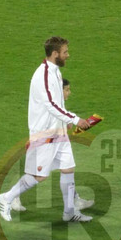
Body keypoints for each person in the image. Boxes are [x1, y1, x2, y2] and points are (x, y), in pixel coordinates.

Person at [0, 36, 92, 223]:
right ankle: (6, 198)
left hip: (58, 130)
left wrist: (66, 122)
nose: (68, 55)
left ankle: (69, 212)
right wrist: (74, 118)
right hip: (45, 133)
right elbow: (50, 104)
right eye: (65, 52)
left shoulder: (55, 71)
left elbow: (58, 104)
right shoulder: (43, 75)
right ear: (55, 53)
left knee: (68, 168)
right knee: (39, 176)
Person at [11, 78, 94, 212]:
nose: (69, 93)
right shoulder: (50, 107)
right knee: (37, 175)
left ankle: (75, 200)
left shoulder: (58, 107)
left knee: (67, 169)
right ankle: (12, 197)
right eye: (67, 90)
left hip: (57, 145)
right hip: (45, 145)